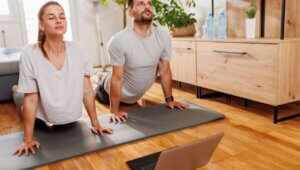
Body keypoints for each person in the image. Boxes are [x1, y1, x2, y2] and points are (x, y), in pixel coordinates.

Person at [13, 1, 113, 157]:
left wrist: (96, 124)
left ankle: (17, 88)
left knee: (25, 92)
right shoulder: (30, 53)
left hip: (69, 116)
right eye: (52, 17)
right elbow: (31, 100)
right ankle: (16, 91)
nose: (59, 20)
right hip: (39, 112)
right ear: (41, 25)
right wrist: (27, 139)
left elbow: (87, 91)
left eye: (62, 17)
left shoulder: (79, 50)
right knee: (22, 98)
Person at [95, 0, 189, 124]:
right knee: (99, 87)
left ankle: (99, 77)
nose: (147, 7)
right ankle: (98, 79)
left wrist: (169, 100)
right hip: (107, 93)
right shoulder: (118, 41)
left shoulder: (163, 37)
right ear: (130, 12)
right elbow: (117, 78)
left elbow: (165, 72)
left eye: (149, 3)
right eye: (141, 4)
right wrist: (114, 111)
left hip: (134, 96)